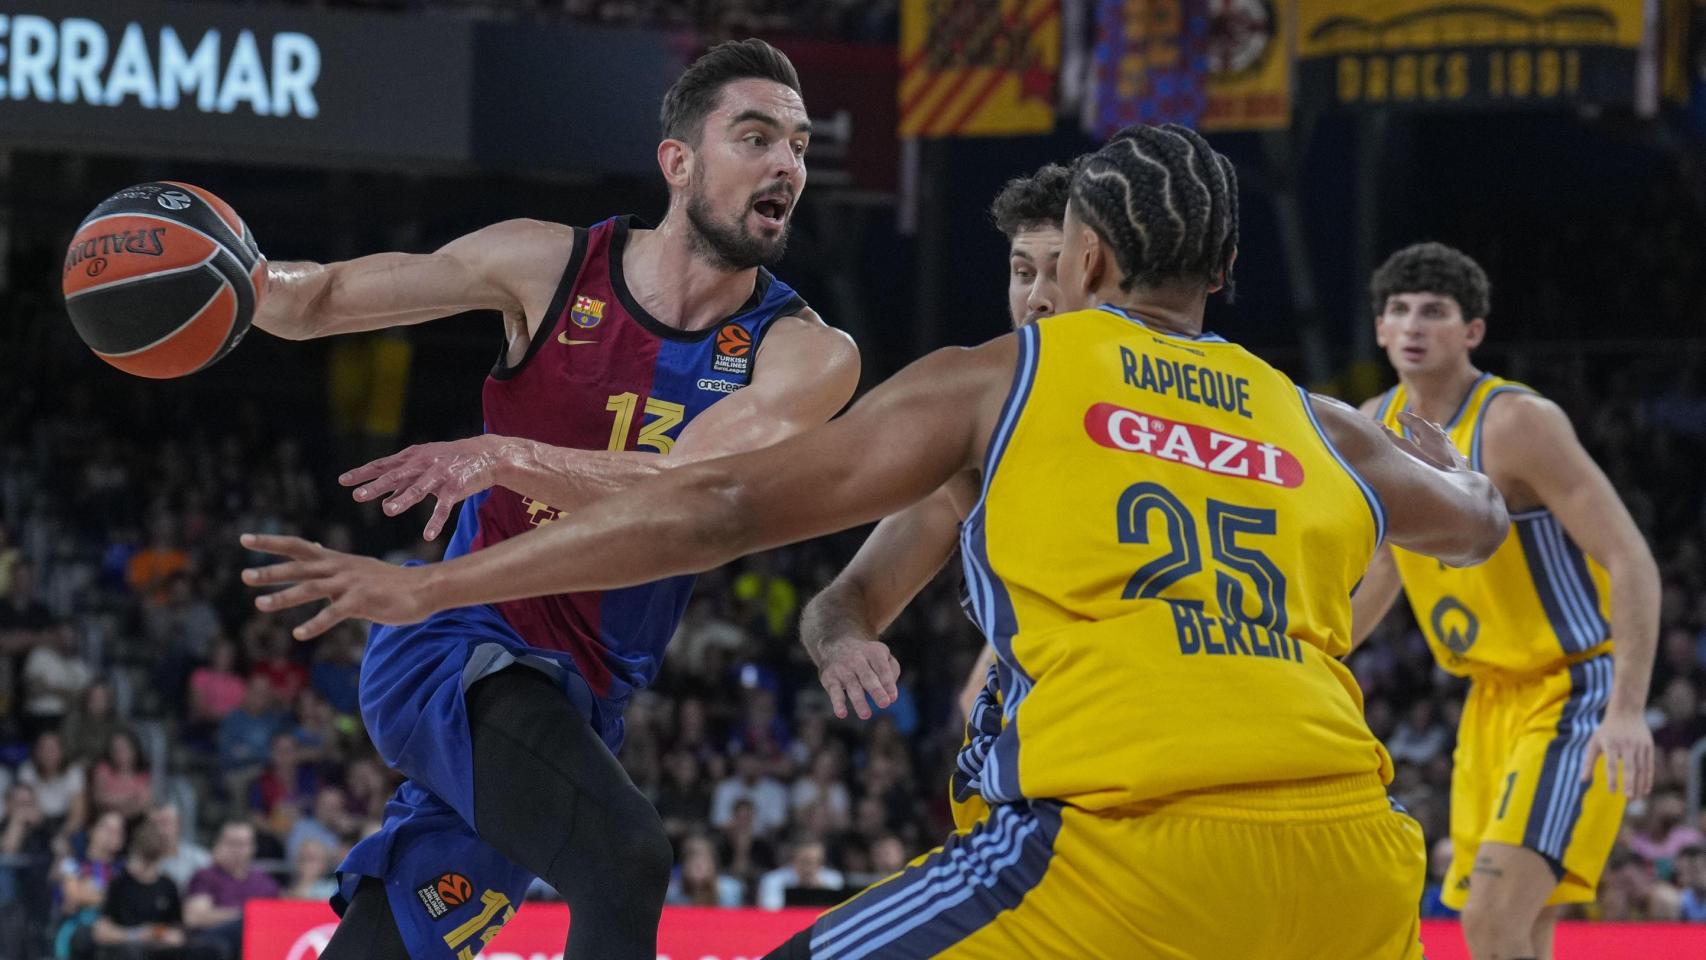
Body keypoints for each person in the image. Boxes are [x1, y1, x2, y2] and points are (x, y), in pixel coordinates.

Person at [243, 124, 1510, 958]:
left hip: (1125, 853)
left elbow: (717, 507)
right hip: (1356, 861)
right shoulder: (1321, 422)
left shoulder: (1002, 378)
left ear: (1088, 255)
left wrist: (433, 586)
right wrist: (1458, 454)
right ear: (1225, 269)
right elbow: (1473, 519)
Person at [244, 37, 856, 960]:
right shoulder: (545, 265)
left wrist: (505, 455)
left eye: (801, 146)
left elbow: (693, 488)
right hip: (459, 642)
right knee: (624, 858)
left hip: (584, 694)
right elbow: (320, 299)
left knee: (400, 930)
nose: (787, 165)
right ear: (678, 162)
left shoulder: (807, 352)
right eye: (758, 137)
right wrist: (225, 275)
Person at [1351, 242, 1659, 960]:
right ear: (1379, 331)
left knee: (1489, 921)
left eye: (1435, 310)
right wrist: (1317, 652)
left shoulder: (1518, 423)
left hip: (1572, 691)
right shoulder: (1374, 422)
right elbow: (1385, 569)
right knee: (1522, 929)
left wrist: (1627, 711)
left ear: (1473, 332)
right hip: (1487, 704)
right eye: (1399, 309)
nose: (1414, 323)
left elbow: (1630, 559)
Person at [794, 163, 1071, 835]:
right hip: (1033, 791)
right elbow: (844, 599)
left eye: (1060, 270)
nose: (1036, 297)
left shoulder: (1180, 419)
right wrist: (843, 644)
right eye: (1022, 270)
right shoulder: (974, 437)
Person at [92, 821, 215, 960]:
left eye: (152, 862)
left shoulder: (168, 885)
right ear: (134, 852)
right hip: (128, 946)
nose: (145, 869)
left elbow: (178, 930)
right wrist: (135, 935)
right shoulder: (119, 884)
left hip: (160, 946)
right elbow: (101, 931)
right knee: (132, 952)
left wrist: (163, 935)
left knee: (209, 949)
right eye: (143, 859)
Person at [184, 822, 278, 960]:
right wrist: (245, 916)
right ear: (218, 845)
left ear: (253, 848)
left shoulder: (265, 881)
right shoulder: (206, 876)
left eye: (243, 844)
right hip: (212, 943)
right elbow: (194, 918)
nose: (237, 850)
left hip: (257, 944)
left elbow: (277, 918)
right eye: (231, 843)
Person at [757, 838, 844, 911]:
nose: (811, 867)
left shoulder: (833, 879)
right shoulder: (773, 880)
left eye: (817, 862)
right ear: (793, 859)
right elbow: (770, 911)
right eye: (806, 861)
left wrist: (821, 892)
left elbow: (836, 914)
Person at [91, 729, 154, 821]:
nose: (120, 753)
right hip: (107, 820)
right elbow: (99, 799)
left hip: (135, 821)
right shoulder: (103, 769)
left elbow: (144, 805)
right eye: (116, 749)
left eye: (124, 748)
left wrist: (114, 801)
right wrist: (130, 798)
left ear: (134, 750)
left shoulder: (142, 775)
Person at [150, 804, 211, 896]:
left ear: (179, 825)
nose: (160, 830)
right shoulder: (143, 859)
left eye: (165, 823)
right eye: (155, 824)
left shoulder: (200, 858)